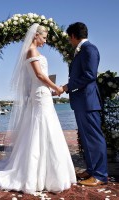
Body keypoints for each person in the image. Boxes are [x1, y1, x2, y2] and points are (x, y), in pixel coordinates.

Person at [0, 24, 76, 194]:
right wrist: (57, 88)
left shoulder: (34, 52)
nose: (45, 41)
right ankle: (36, 174)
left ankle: (47, 172)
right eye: (44, 37)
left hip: (42, 93)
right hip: (40, 95)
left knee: (46, 128)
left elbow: (37, 79)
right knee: (42, 127)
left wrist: (51, 90)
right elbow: (39, 75)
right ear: (36, 36)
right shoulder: (31, 51)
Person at [62, 22, 108, 186]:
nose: (69, 41)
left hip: (88, 101)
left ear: (73, 36)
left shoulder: (89, 49)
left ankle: (100, 175)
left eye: (69, 38)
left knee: (94, 138)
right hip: (81, 102)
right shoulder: (82, 51)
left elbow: (90, 75)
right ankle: (91, 170)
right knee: (87, 138)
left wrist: (67, 87)